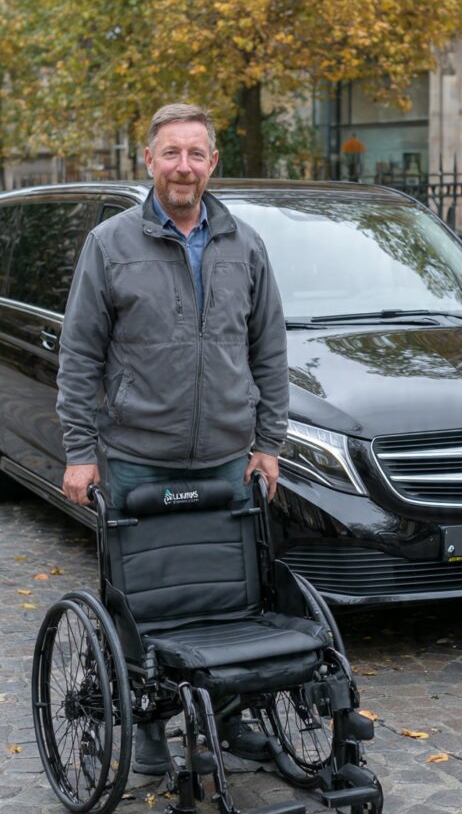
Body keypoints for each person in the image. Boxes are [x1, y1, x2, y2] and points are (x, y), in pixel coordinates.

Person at [56, 102, 289, 773]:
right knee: (141, 599)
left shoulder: (245, 245)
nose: (183, 167)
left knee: (230, 598)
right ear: (149, 161)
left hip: (223, 455)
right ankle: (149, 722)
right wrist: (78, 451)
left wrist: (266, 442)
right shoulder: (111, 246)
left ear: (213, 163)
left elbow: (268, 351)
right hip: (136, 458)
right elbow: (80, 356)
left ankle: (232, 717)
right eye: (170, 153)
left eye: (195, 154)